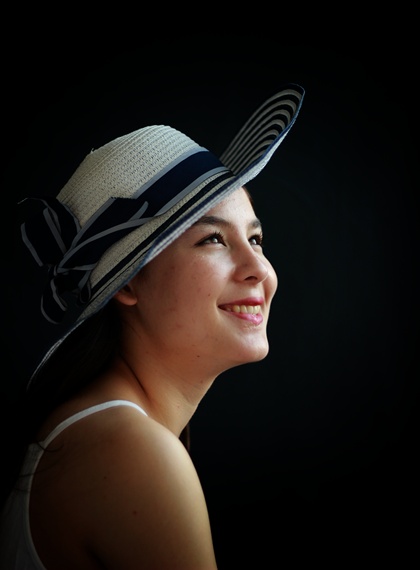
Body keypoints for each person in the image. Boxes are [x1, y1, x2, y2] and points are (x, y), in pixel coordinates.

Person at [0, 84, 304, 569]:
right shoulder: (131, 451)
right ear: (127, 283)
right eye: (212, 239)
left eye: (255, 238)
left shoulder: (101, 427)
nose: (259, 270)